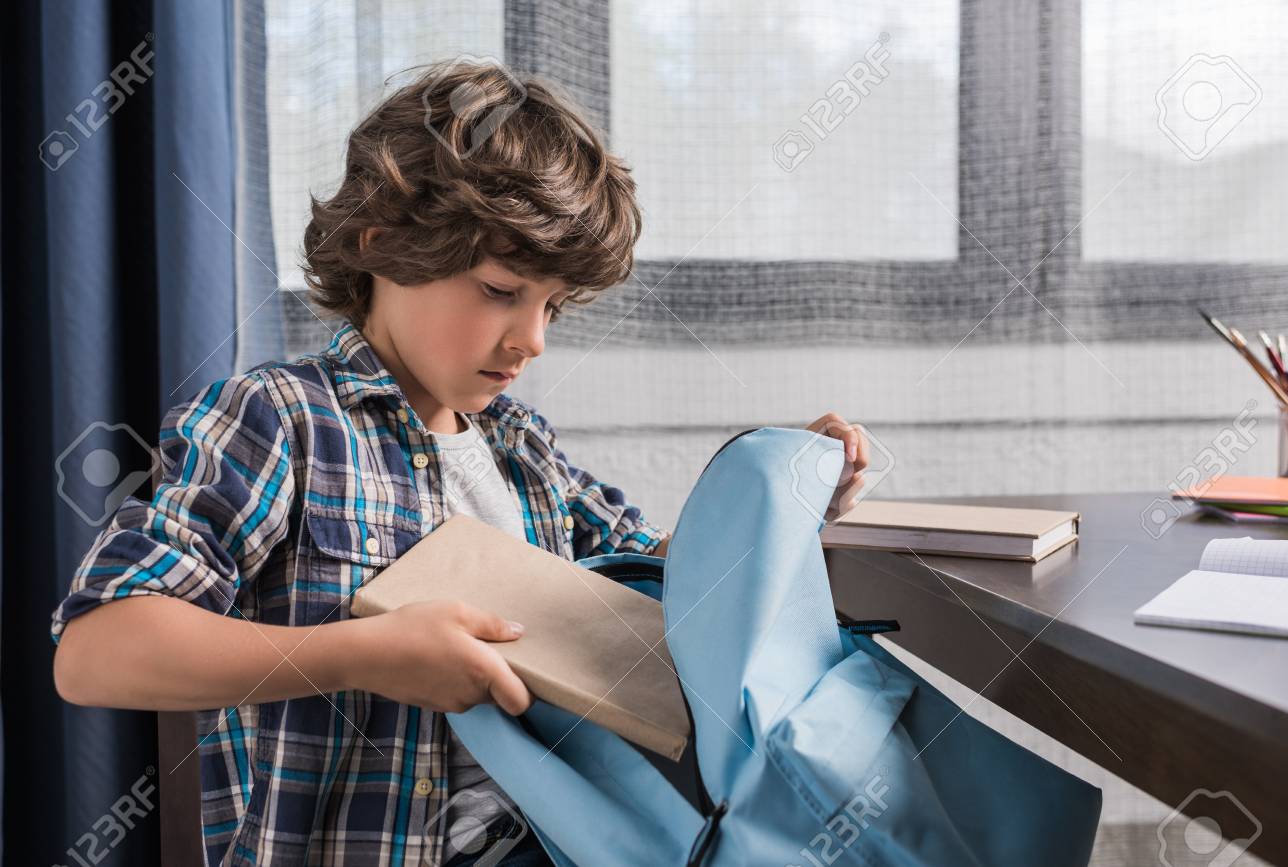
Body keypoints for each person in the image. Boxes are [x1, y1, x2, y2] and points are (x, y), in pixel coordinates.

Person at [50, 59, 869, 866]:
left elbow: (673, 587)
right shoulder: (281, 422)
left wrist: (784, 502)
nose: (533, 339)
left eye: (552, 305)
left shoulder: (527, 452)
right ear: (380, 244)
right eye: (501, 289)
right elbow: (97, 650)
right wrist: (363, 654)